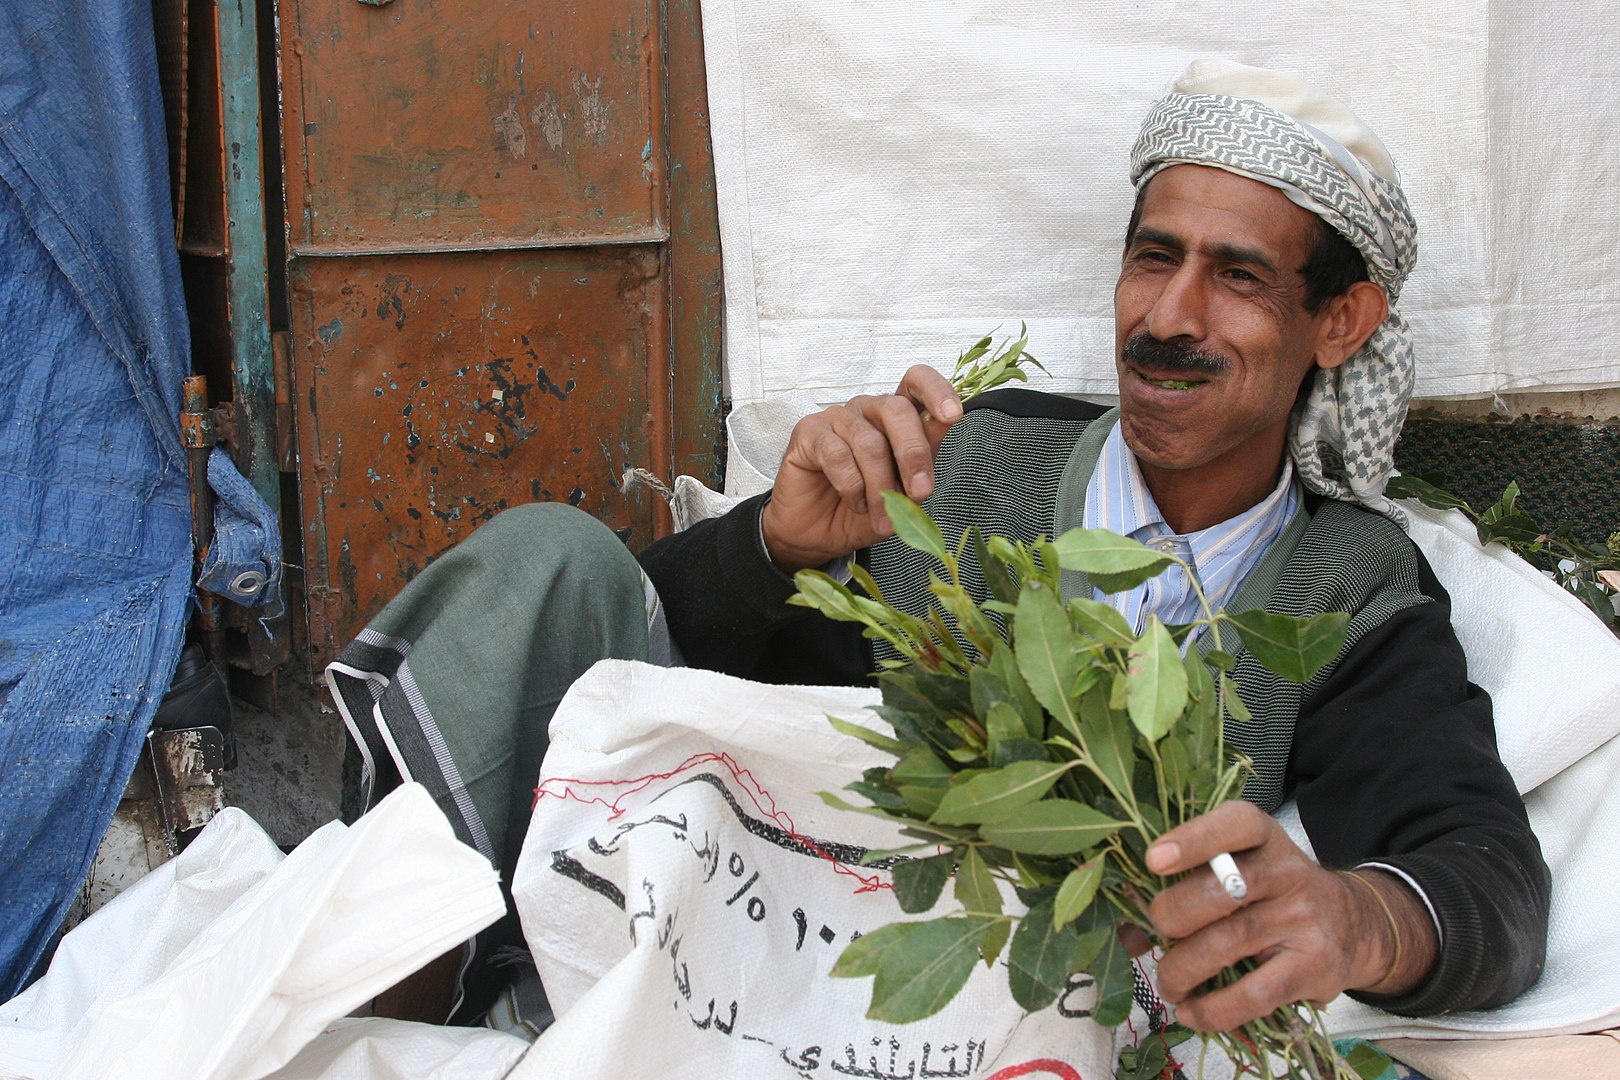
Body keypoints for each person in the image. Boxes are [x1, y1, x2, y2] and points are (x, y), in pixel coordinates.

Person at [328, 59, 1549, 1030]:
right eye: (1153, 257)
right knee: (548, 557)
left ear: (1340, 320)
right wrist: (773, 550)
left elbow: (1482, 875)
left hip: (990, 1012)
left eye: (1237, 277)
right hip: (764, 913)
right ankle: (376, 1016)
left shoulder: (1345, 587)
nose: (1168, 317)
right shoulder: (969, 462)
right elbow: (637, 681)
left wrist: (1356, 919)